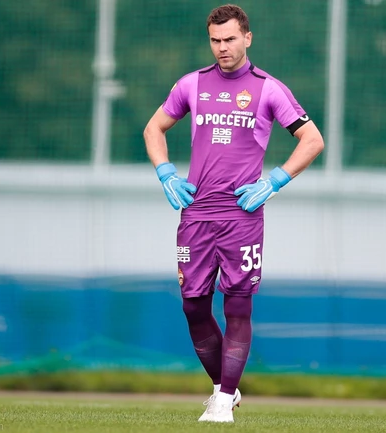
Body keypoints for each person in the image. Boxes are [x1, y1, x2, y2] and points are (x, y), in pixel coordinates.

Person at [143, 4, 324, 423]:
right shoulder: (191, 84)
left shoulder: (268, 89)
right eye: (215, 40)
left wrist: (273, 182)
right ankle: (226, 386)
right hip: (196, 214)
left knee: (238, 307)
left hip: (242, 215)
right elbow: (154, 128)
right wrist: (166, 173)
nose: (222, 47)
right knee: (193, 306)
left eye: (229, 39)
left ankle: (223, 400)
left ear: (247, 38)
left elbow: (312, 140)